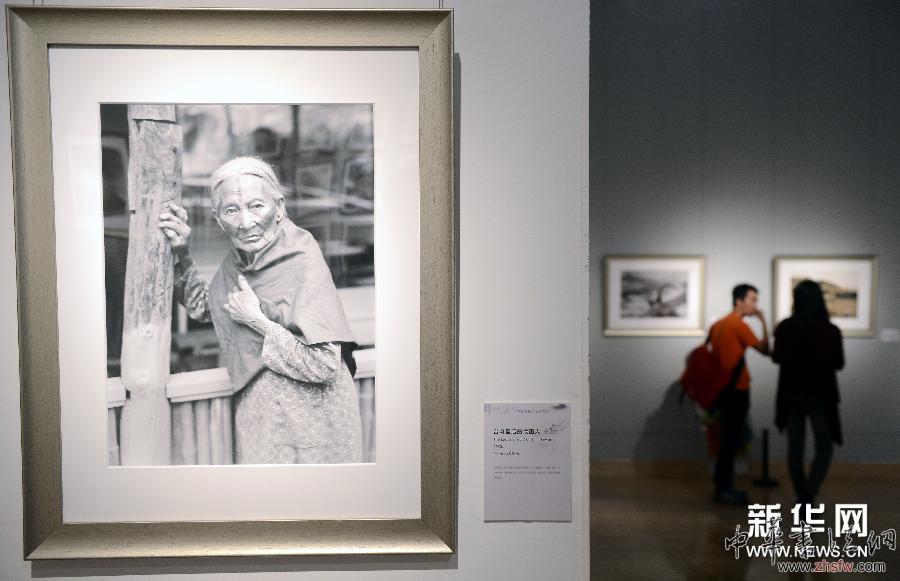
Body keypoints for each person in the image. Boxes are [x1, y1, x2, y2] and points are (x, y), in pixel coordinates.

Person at [158, 156, 363, 464]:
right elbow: (206, 308)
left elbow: (323, 365)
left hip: (316, 421)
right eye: (231, 210)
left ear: (279, 207)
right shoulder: (239, 262)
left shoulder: (301, 258)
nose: (245, 222)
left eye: (256, 206)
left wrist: (258, 321)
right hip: (262, 420)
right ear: (217, 218)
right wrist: (181, 251)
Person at [773, 280, 844, 505]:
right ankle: (808, 496)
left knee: (795, 448)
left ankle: (802, 495)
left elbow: (777, 357)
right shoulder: (831, 330)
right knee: (824, 447)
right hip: (821, 396)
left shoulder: (785, 327)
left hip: (792, 394)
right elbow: (838, 363)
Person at [708, 284, 770, 504]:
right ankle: (724, 488)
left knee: (727, 438)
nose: (755, 305)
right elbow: (766, 350)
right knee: (732, 439)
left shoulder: (718, 325)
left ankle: (722, 485)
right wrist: (763, 321)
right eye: (753, 299)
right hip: (737, 389)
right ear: (739, 301)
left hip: (722, 389)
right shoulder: (738, 325)